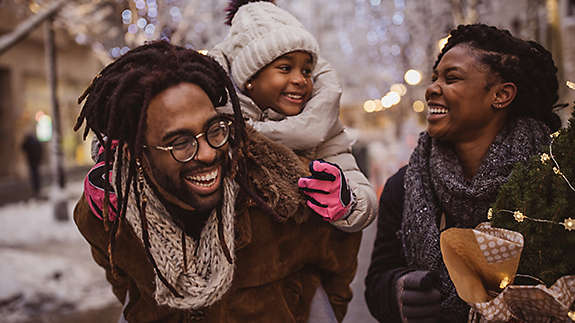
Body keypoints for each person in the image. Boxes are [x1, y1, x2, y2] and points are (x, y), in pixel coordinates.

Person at [73, 41, 361, 323]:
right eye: (180, 142)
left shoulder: (280, 197)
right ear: (136, 153)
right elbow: (125, 286)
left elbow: (338, 264)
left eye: (214, 129)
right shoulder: (109, 216)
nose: (210, 152)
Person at [364, 24, 561, 322]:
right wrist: (399, 290)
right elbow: (377, 281)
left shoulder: (556, 179)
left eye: (451, 78)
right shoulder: (403, 186)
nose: (432, 89)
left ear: (501, 95)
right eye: (434, 78)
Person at [209, 0, 377, 232]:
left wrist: (348, 202)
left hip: (301, 260)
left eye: (306, 70)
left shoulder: (323, 126)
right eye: (285, 68)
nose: (301, 80)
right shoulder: (214, 129)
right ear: (250, 78)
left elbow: (362, 193)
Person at [21, 130, 43, 197]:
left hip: (31, 161)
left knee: (33, 175)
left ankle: (35, 188)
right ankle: (37, 188)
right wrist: (39, 158)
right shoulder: (36, 141)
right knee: (36, 175)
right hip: (36, 161)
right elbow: (40, 149)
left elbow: (22, 147)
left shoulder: (28, 141)